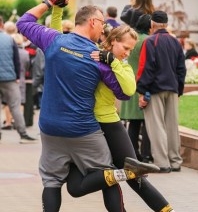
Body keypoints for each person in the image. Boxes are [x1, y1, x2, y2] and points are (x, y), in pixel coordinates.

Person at [16, 2, 160, 211]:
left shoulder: (54, 41)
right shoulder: (96, 56)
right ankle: (122, 173)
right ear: (93, 22)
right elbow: (123, 92)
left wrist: (50, 4)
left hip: (50, 128)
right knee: (106, 173)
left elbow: (23, 22)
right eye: (102, 23)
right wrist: (114, 63)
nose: (103, 29)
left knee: (51, 181)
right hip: (83, 130)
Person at [50, 6, 175, 211]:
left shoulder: (120, 65)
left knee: (134, 177)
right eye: (125, 48)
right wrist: (57, 10)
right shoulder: (90, 53)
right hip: (82, 128)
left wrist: (114, 62)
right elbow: (57, 41)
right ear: (113, 41)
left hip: (109, 125)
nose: (127, 53)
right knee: (95, 181)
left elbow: (129, 88)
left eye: (130, 50)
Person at [137, 11, 187, 173]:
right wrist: (178, 90)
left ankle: (162, 162)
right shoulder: (175, 42)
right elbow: (182, 69)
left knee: (156, 126)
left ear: (152, 24)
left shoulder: (151, 41)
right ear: (166, 23)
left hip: (155, 89)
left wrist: (142, 91)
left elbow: (147, 68)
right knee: (172, 126)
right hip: (172, 88)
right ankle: (175, 161)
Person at [120, 14, 153, 163]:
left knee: (133, 123)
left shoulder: (133, 38)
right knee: (145, 121)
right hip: (142, 81)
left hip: (129, 79)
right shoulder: (147, 40)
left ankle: (132, 153)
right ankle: (145, 154)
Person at [0, 16, 36, 143]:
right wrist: (16, 76)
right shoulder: (10, 40)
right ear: (2, 25)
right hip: (9, 78)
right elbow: (16, 60)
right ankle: (23, 134)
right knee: (15, 105)